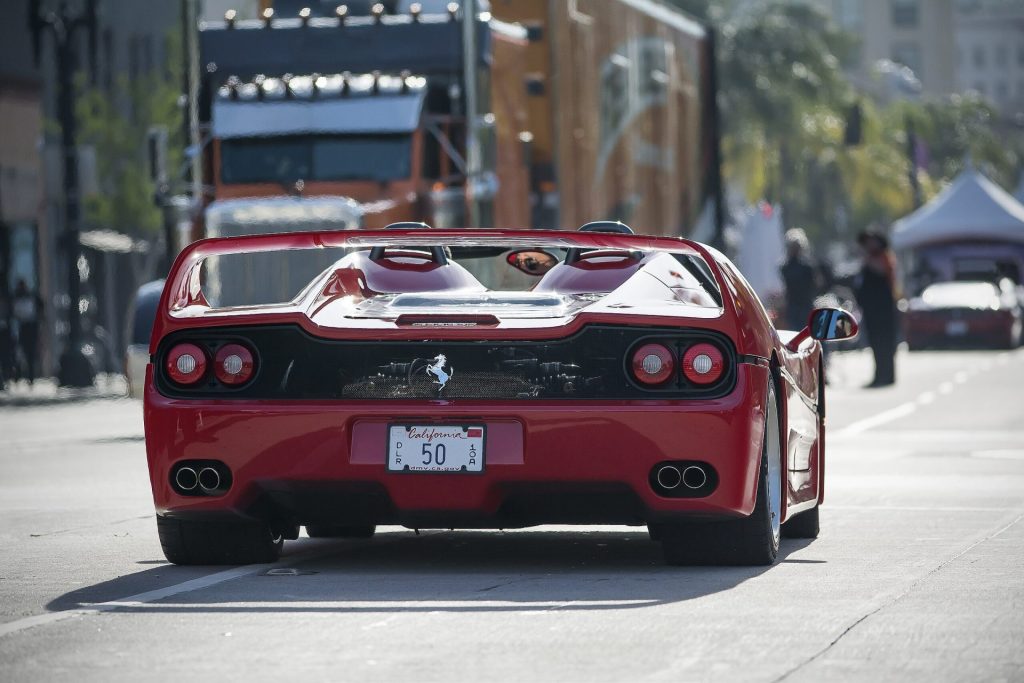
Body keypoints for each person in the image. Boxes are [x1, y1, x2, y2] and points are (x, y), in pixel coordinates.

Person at [854, 231, 899, 387]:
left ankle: (888, 375)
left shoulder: (884, 256)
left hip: (884, 308)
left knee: (886, 342)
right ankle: (879, 374)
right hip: (871, 309)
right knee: (875, 342)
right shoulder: (867, 258)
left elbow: (883, 271)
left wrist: (867, 258)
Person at [779, 228, 821, 330]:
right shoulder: (785, 267)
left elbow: (816, 284)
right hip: (793, 306)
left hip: (805, 305)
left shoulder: (807, 266)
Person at [12, 279, 43, 385]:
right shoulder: (17, 298)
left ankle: (30, 377)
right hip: (23, 329)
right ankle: (19, 375)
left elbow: (40, 310)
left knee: (30, 354)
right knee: (20, 354)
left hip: (30, 328)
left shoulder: (32, 298)